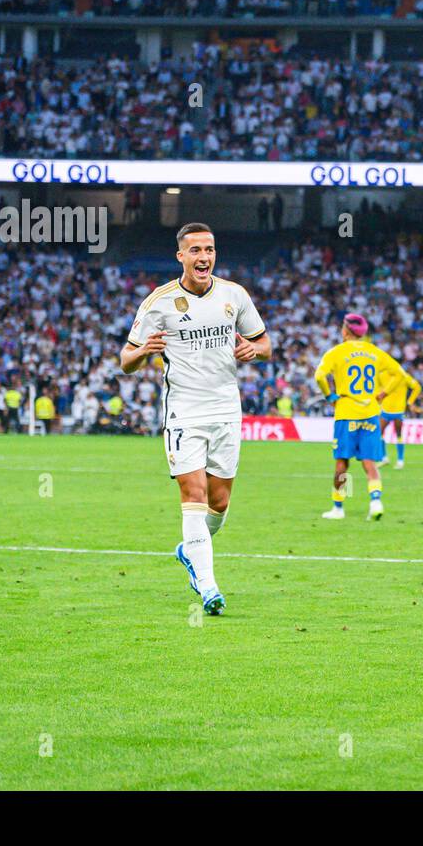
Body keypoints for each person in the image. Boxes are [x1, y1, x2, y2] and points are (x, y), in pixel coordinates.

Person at [121, 222, 271, 615]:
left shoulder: (234, 295)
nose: (204, 257)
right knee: (193, 495)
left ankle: (190, 552)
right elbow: (126, 360)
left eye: (209, 250)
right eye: (196, 251)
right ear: (181, 257)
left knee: (219, 504)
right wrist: (143, 353)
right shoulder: (159, 302)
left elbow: (265, 343)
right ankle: (208, 587)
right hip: (184, 411)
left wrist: (254, 351)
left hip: (226, 410)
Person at [314, 313, 405, 521]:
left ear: (345, 331)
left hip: (346, 412)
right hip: (371, 412)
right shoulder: (375, 352)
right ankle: (375, 502)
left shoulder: (336, 352)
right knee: (369, 462)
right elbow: (398, 374)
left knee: (342, 464)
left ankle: (338, 507)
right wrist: (383, 393)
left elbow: (319, 376)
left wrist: (329, 396)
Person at [377, 362, 421, 470]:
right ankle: (384, 458)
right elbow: (378, 389)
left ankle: (400, 460)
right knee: (379, 433)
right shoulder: (383, 375)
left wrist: (410, 402)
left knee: (398, 434)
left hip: (398, 411)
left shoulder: (404, 377)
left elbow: (417, 387)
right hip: (385, 410)